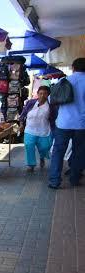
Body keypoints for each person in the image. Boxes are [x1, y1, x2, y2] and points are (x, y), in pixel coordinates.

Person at [48, 57, 85, 189]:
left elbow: (50, 98)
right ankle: (74, 179)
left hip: (63, 123)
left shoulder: (64, 80)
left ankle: (54, 181)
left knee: (58, 151)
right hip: (82, 124)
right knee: (79, 152)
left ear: (73, 68)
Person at [19, 85, 58, 171]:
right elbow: (23, 114)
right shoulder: (31, 103)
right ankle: (31, 165)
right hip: (30, 130)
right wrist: (21, 124)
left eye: (45, 94)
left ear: (48, 95)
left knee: (45, 147)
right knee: (29, 146)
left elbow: (54, 119)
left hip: (44, 131)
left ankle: (42, 156)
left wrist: (54, 130)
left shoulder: (51, 107)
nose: (42, 95)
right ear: (37, 94)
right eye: (40, 93)